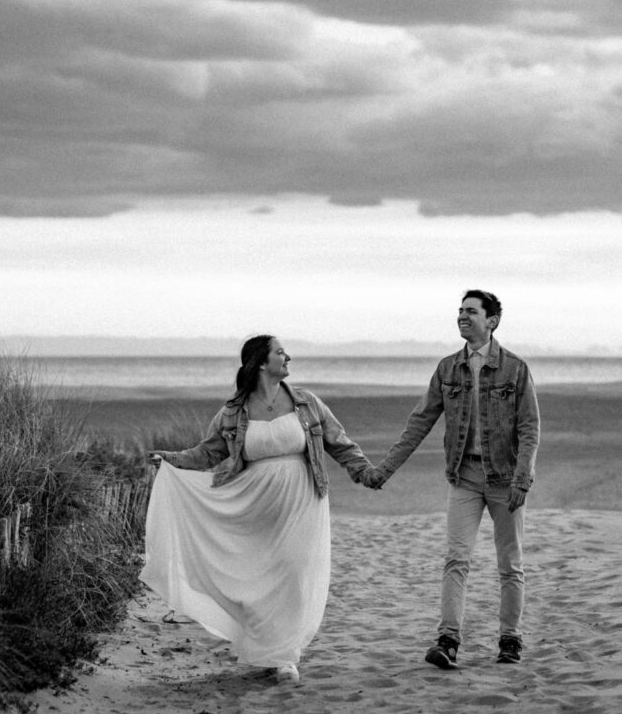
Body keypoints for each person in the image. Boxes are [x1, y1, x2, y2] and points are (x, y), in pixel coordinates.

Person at [140, 334, 374, 685]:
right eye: (280, 352)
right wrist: (172, 460)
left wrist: (365, 472)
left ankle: (284, 657)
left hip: (303, 500)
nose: (288, 356)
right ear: (262, 363)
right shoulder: (233, 412)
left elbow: (339, 442)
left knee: (294, 571)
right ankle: (266, 646)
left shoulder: (307, 403)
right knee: (260, 576)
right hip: (254, 504)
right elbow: (208, 452)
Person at [364, 290, 540, 669]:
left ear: (491, 321)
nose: (462, 316)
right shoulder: (447, 369)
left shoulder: (515, 369)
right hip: (464, 477)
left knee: (510, 564)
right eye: (460, 311)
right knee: (456, 559)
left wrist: (522, 479)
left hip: (505, 479)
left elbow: (529, 428)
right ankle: (448, 641)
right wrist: (385, 470)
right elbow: (419, 423)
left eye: (471, 311)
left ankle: (510, 640)